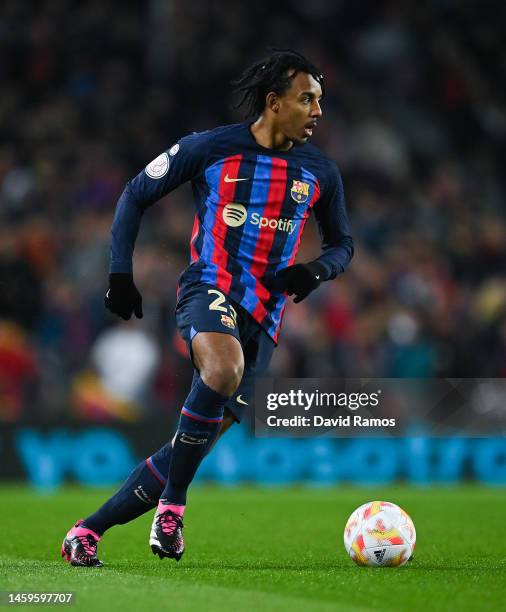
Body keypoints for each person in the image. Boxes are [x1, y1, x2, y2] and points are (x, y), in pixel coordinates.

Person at [61, 49, 354, 567]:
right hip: (209, 287)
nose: (317, 111)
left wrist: (315, 271)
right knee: (222, 368)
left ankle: (86, 532)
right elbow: (135, 193)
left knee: (185, 450)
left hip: (265, 318)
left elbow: (342, 246)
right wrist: (119, 274)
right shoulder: (211, 148)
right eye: (307, 99)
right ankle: (173, 506)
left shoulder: (320, 173)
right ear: (274, 101)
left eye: (320, 101)